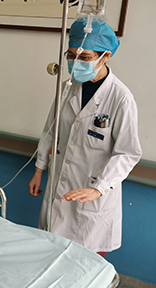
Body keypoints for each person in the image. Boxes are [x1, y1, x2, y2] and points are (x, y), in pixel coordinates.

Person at [28, 18, 142, 258]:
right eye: (71, 55)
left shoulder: (121, 98)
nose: (76, 62)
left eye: (85, 57)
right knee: (50, 252)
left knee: (85, 262)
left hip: (92, 196)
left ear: (106, 56)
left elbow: (127, 153)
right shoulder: (67, 87)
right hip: (59, 185)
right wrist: (39, 169)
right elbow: (50, 130)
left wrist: (98, 189)